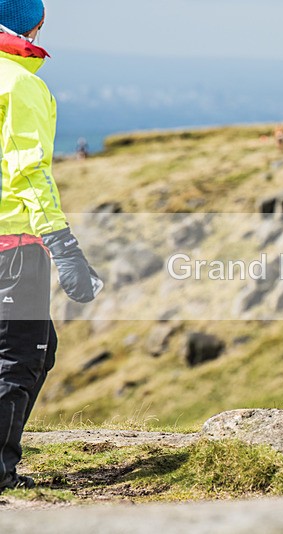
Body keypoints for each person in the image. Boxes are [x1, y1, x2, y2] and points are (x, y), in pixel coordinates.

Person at [0, 0, 102, 493]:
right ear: (33, 23)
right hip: (13, 245)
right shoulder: (20, 84)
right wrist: (64, 248)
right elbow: (29, 172)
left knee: (39, 349)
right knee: (18, 357)